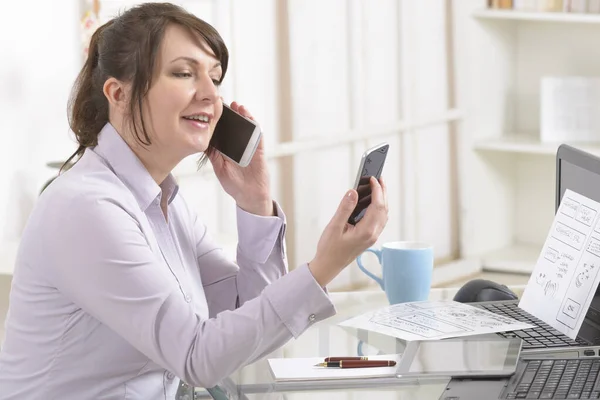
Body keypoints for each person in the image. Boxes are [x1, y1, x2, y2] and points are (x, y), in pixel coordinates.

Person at [0, 3, 388, 399]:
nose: (210, 95)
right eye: (184, 74)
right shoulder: (86, 208)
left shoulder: (164, 200)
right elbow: (197, 357)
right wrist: (326, 265)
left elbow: (243, 317)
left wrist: (254, 204)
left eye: (215, 78)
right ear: (118, 93)